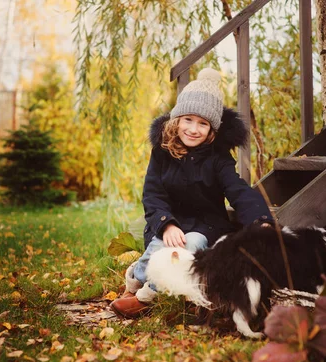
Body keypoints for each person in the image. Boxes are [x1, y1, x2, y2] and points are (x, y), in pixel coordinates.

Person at [110, 68, 274, 318]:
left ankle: (146, 298)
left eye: (203, 123)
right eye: (188, 120)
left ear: (212, 130)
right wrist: (166, 224)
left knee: (190, 244)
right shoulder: (162, 153)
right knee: (157, 248)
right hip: (170, 221)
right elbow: (153, 195)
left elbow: (238, 190)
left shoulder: (218, 158)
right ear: (176, 119)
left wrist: (261, 220)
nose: (194, 129)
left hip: (205, 226)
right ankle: (134, 282)